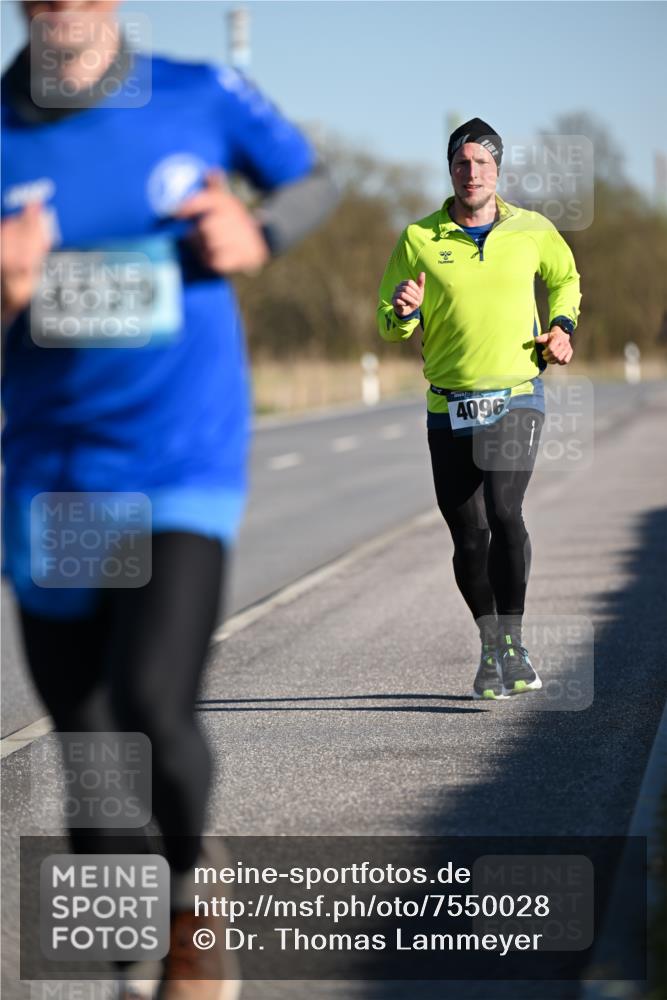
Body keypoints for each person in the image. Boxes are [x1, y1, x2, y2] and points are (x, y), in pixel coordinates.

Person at [1, 2, 338, 997]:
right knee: (94, 757)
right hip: (55, 477)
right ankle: (127, 966)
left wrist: (259, 229)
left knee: (153, 699)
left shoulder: (201, 93)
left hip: (181, 457)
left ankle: (193, 897)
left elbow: (313, 181)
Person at [377, 117, 581, 701]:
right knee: (469, 538)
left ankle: (513, 642)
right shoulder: (419, 237)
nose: (472, 173)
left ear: (498, 170)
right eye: (462, 164)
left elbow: (565, 278)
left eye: (483, 163)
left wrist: (562, 327)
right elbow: (390, 325)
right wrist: (404, 309)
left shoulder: (532, 230)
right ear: (450, 171)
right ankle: (492, 647)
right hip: (448, 405)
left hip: (517, 395)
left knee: (504, 510)